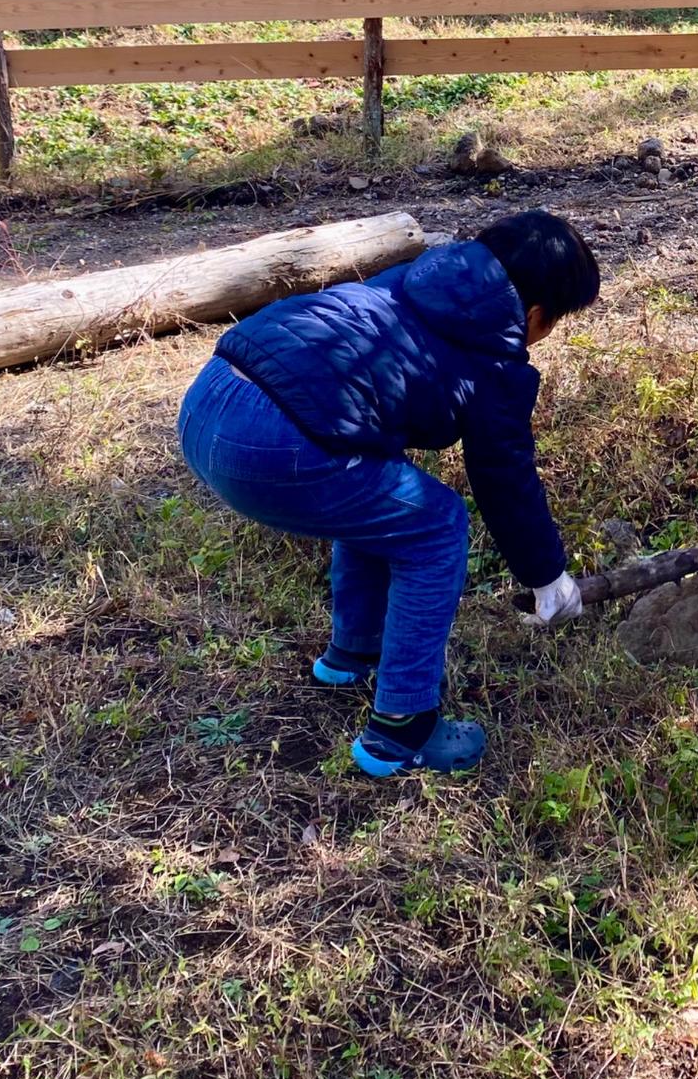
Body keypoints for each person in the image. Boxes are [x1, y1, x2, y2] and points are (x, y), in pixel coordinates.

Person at [177, 209, 599, 778]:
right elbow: (506, 479)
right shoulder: (499, 363)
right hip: (271, 444)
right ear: (539, 315)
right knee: (437, 526)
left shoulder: (413, 277)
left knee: (382, 493)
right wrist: (547, 576)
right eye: (556, 322)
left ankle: (353, 652)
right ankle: (402, 729)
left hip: (211, 395)